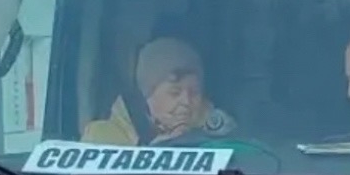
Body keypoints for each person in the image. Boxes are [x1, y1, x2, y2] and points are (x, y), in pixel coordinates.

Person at [84, 37, 236, 147]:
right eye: (174, 93)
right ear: (146, 97)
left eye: (194, 93)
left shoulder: (219, 134)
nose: (186, 101)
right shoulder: (101, 139)